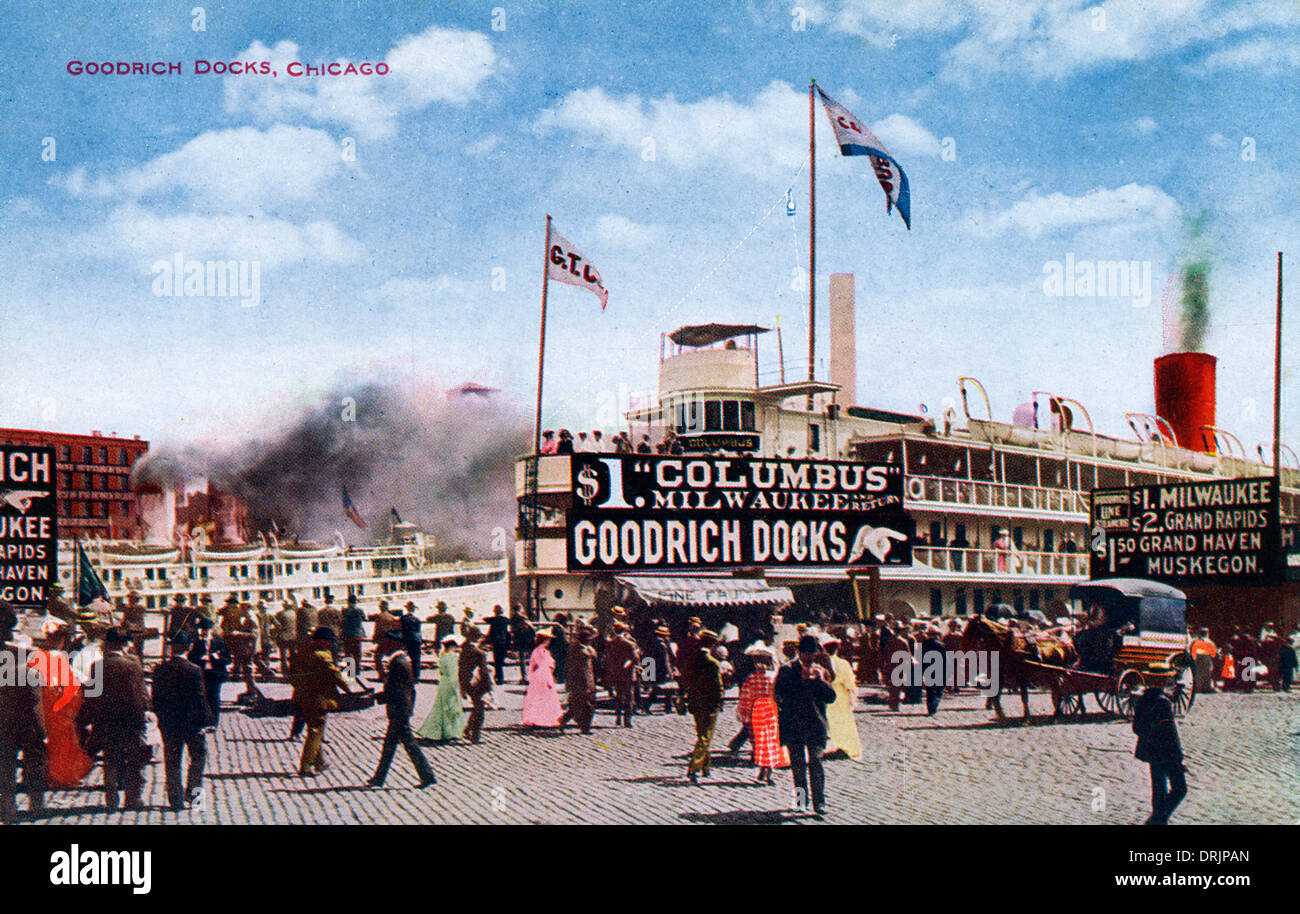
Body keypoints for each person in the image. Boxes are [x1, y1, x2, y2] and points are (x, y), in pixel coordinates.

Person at [77, 628, 151, 811]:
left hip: (107, 719)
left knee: (111, 759)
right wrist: (146, 711)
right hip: (131, 719)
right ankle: (133, 798)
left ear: (108, 644)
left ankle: (111, 799)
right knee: (134, 759)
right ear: (123, 644)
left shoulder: (98, 666)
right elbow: (141, 692)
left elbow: (92, 696)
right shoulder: (134, 664)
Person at [151, 630, 215, 810]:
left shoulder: (160, 669)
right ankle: (194, 796)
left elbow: (156, 699)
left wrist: (162, 718)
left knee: (172, 761)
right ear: (188, 648)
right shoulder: (194, 670)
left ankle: (175, 799)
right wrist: (207, 721)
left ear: (171, 649)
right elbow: (200, 698)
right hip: (192, 723)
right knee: (198, 757)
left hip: (170, 724)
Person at [774, 634, 837, 818]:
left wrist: (820, 681)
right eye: (805, 654)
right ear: (799, 653)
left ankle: (819, 803)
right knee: (798, 765)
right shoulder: (787, 670)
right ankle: (801, 802)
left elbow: (830, 697)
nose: (809, 657)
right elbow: (779, 692)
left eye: (812, 654)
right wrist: (799, 680)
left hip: (815, 724)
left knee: (816, 763)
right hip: (794, 723)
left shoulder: (820, 671)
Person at [367, 631, 436, 789]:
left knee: (407, 744)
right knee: (391, 745)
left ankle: (428, 776)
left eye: (386, 643)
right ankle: (379, 777)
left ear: (396, 644)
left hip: (399, 709)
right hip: (401, 708)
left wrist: (378, 698)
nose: (383, 647)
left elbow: (397, 689)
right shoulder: (400, 660)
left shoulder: (398, 662)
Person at [0, 602, 46, 823]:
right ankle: (36, 807)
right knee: (34, 765)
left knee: (5, 767)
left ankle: (7, 809)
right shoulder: (24, 656)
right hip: (27, 720)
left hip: (5, 722)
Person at [288, 627, 348, 777]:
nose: (329, 644)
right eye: (328, 642)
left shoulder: (300, 653)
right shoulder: (323, 656)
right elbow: (335, 675)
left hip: (302, 697)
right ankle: (306, 766)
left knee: (314, 729)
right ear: (321, 641)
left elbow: (291, 675)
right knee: (316, 730)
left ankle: (320, 762)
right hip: (318, 699)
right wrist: (349, 689)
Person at [1132, 685, 1187, 825]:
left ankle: (1158, 819)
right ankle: (1157, 819)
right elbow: (1170, 732)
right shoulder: (1163, 703)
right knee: (1180, 788)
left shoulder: (1143, 701)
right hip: (1167, 751)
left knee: (1158, 788)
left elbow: (1136, 728)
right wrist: (1179, 757)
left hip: (1151, 750)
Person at [736, 644, 787, 784]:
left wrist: (743, 713)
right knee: (769, 741)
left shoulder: (751, 679)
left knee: (760, 742)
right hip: (769, 710)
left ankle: (764, 769)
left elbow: (745, 697)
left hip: (756, 711)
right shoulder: (772, 678)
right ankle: (767, 770)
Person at [685, 630, 724, 784]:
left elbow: (686, 679)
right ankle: (693, 768)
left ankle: (705, 767)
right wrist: (720, 702)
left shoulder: (692, 659)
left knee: (701, 733)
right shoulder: (713, 663)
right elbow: (718, 686)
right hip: (710, 704)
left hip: (695, 701)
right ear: (712, 644)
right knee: (705, 736)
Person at [417, 636, 468, 741]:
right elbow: (453, 673)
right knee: (452, 707)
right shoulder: (453, 656)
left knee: (441, 707)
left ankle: (442, 731)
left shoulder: (442, 656)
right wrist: (458, 687)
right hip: (451, 683)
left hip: (443, 683)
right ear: (452, 646)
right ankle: (451, 732)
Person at [822, 635, 862, 756]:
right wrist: (852, 695)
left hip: (829, 693)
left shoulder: (824, 662)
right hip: (841, 694)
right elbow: (850, 682)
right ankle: (845, 747)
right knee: (844, 721)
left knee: (833, 721)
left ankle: (839, 746)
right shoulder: (843, 663)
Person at [188, 617, 231, 725]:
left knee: (214, 697)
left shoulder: (219, 642)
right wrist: (199, 659)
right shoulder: (197, 643)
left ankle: (213, 722)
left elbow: (228, 659)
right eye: (202, 630)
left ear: (211, 630)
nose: (204, 632)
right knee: (203, 697)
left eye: (206, 630)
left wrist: (217, 658)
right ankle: (203, 721)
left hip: (215, 674)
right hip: (203, 674)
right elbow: (190, 658)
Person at [560, 627, 599, 733]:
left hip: (589, 680)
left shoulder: (588, 648)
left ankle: (584, 726)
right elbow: (570, 667)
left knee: (586, 704)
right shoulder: (575, 649)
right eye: (588, 639)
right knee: (581, 704)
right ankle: (581, 725)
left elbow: (594, 658)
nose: (590, 641)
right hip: (579, 681)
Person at [521, 631, 562, 727]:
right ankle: (539, 719)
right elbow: (541, 665)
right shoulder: (539, 651)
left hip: (543, 675)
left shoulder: (542, 650)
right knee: (542, 696)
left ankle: (543, 718)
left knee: (542, 697)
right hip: (541, 676)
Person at [603, 623, 640, 727]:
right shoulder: (629, 643)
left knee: (618, 695)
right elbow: (635, 658)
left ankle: (618, 717)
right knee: (628, 696)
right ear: (625, 631)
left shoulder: (610, 643)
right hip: (628, 673)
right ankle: (627, 720)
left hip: (615, 672)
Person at [459, 631, 493, 743]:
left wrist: (462, 686)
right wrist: (489, 687)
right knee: (480, 710)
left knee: (476, 707)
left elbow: (461, 669)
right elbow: (483, 671)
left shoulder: (464, 651)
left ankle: (468, 729)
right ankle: (475, 736)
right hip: (478, 684)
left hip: (467, 683)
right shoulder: (480, 653)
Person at [369, 600, 402, 680]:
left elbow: (377, 628)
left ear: (381, 607)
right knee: (390, 657)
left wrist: (374, 638)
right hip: (391, 640)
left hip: (383, 640)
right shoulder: (392, 617)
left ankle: (382, 674)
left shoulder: (379, 616)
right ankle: (393, 674)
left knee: (377, 657)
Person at [920, 626, 948, 715]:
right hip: (939, 669)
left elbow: (920, 658)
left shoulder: (924, 644)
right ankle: (935, 705)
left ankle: (930, 708)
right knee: (939, 690)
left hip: (927, 669)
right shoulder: (941, 645)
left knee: (930, 690)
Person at [341, 595, 367, 676]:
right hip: (357, 635)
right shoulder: (360, 611)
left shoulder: (344, 611)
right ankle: (357, 670)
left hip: (347, 634)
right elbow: (364, 619)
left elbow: (341, 622)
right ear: (355, 602)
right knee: (357, 653)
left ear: (348, 602)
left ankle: (350, 671)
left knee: (348, 653)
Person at [486, 605, 512, 685]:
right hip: (504, 642)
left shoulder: (493, 620)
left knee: (497, 662)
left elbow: (485, 619)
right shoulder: (505, 620)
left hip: (496, 643)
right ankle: (498, 677)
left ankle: (499, 678)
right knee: (500, 661)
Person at [510, 606, 535, 683]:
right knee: (530, 659)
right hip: (526, 639)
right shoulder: (523, 618)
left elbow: (513, 629)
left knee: (522, 660)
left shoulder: (513, 618)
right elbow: (531, 628)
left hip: (519, 640)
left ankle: (524, 677)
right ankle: (530, 677)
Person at [271, 601, 297, 675]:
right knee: (293, 655)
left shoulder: (280, 614)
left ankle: (285, 672)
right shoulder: (295, 613)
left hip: (283, 637)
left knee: (283, 656)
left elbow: (277, 625)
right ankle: (294, 671)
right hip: (293, 637)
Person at [1189, 627, 1217, 694]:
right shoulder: (1209, 641)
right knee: (1207, 673)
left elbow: (1191, 649)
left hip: (1198, 659)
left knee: (1198, 673)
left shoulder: (1195, 641)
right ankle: (1206, 687)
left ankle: (1198, 687)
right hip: (1206, 659)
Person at [400, 602, 423, 682]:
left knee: (407, 659)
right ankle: (416, 677)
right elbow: (418, 630)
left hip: (407, 639)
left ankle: (408, 676)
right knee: (416, 659)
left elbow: (402, 629)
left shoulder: (403, 618)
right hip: (416, 639)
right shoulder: (417, 619)